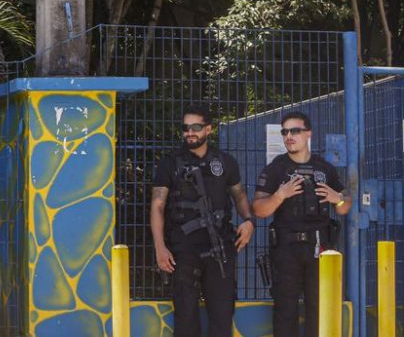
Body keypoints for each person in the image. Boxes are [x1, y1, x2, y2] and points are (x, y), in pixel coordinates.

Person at [150, 104, 254, 337]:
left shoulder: (225, 162)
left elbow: (239, 196)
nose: (190, 132)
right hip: (183, 250)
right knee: (185, 318)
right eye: (185, 128)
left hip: (220, 247)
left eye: (196, 127)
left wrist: (248, 221)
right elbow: (157, 205)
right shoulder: (170, 163)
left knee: (222, 315)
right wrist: (160, 248)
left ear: (209, 129)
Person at [252, 111, 349, 337]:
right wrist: (280, 195)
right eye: (284, 131)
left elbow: (344, 205)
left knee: (319, 308)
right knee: (285, 311)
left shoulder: (324, 169)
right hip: (286, 251)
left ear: (308, 134)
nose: (288, 136)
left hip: (319, 247)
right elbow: (258, 210)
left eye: (294, 130)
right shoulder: (276, 168)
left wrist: (340, 199)